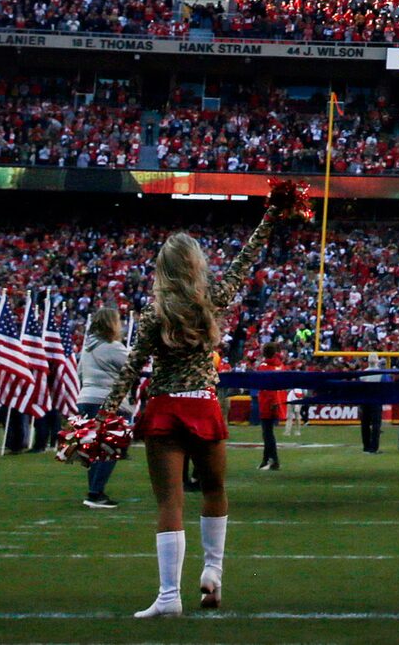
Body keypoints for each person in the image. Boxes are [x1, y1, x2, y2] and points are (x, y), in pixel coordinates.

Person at [114, 190, 292, 618]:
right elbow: (244, 262)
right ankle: (212, 572)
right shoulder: (211, 299)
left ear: (163, 268)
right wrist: (269, 217)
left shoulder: (154, 313)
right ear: (195, 266)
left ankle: (169, 596)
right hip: (203, 405)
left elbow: (131, 368)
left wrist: (102, 416)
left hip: (164, 409)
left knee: (170, 502)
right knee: (214, 489)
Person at [74, 304, 129, 509]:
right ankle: (95, 493)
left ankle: (94, 490)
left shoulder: (88, 348)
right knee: (110, 448)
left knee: (95, 449)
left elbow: (79, 373)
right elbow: (132, 365)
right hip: (107, 400)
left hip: (86, 398)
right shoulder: (113, 347)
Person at [253, 344, 286, 473]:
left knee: (267, 433)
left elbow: (263, 386)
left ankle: (273, 460)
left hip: (267, 402)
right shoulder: (280, 366)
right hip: (278, 402)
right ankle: (266, 460)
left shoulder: (263, 367)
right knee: (268, 432)